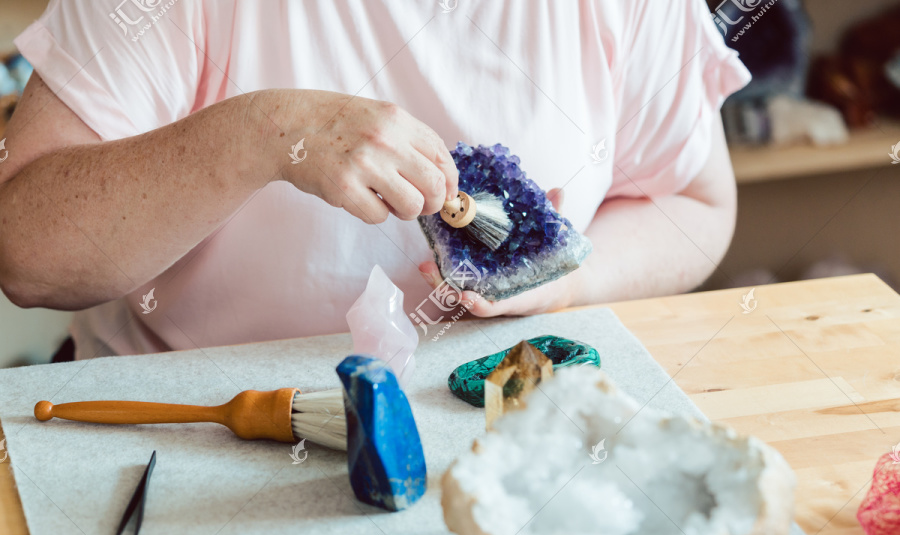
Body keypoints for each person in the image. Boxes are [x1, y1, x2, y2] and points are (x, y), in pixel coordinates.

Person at [0, 0, 749, 360]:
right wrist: (262, 136)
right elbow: (25, 253)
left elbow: (694, 203)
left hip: (495, 417)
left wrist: (572, 280)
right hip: (186, 419)